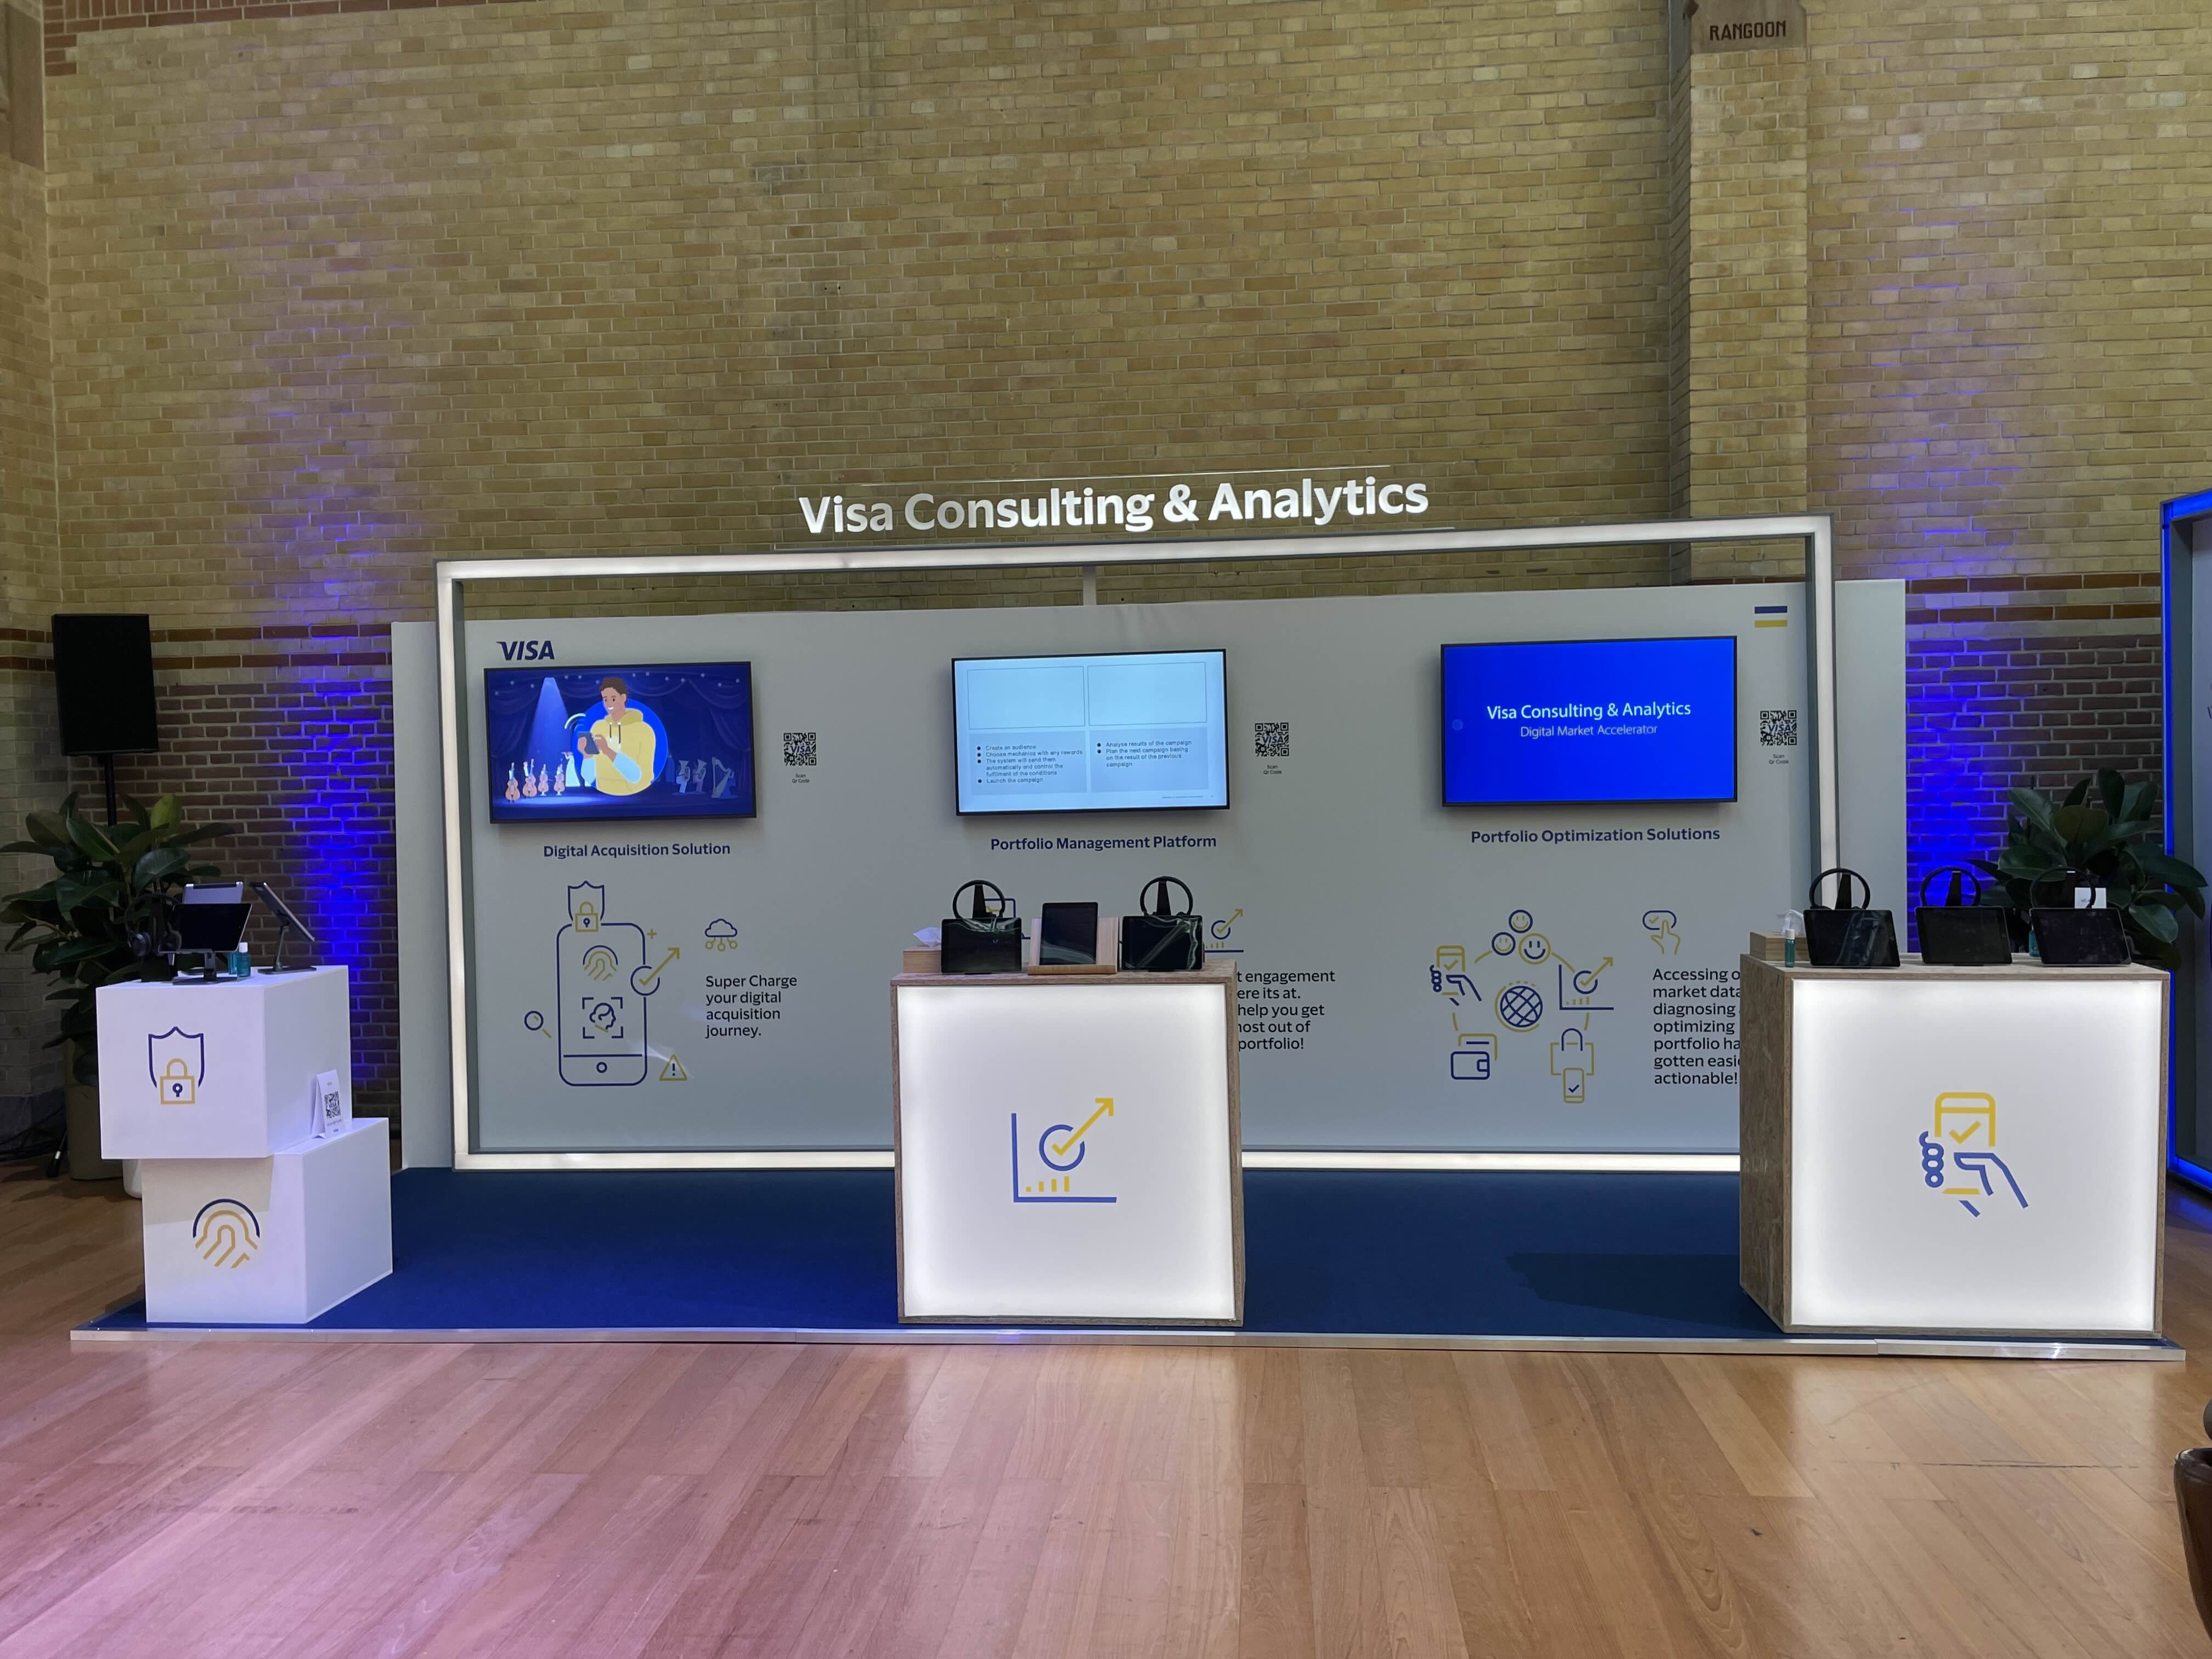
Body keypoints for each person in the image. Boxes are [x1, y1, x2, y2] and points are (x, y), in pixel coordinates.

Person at [578, 676, 657, 797]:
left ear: (623, 698)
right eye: (605, 699)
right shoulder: (598, 727)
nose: (609, 704)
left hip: (637, 800)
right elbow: (590, 777)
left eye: (613, 699)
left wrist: (608, 751)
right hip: (601, 800)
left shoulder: (644, 731)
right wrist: (587, 755)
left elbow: (639, 777)